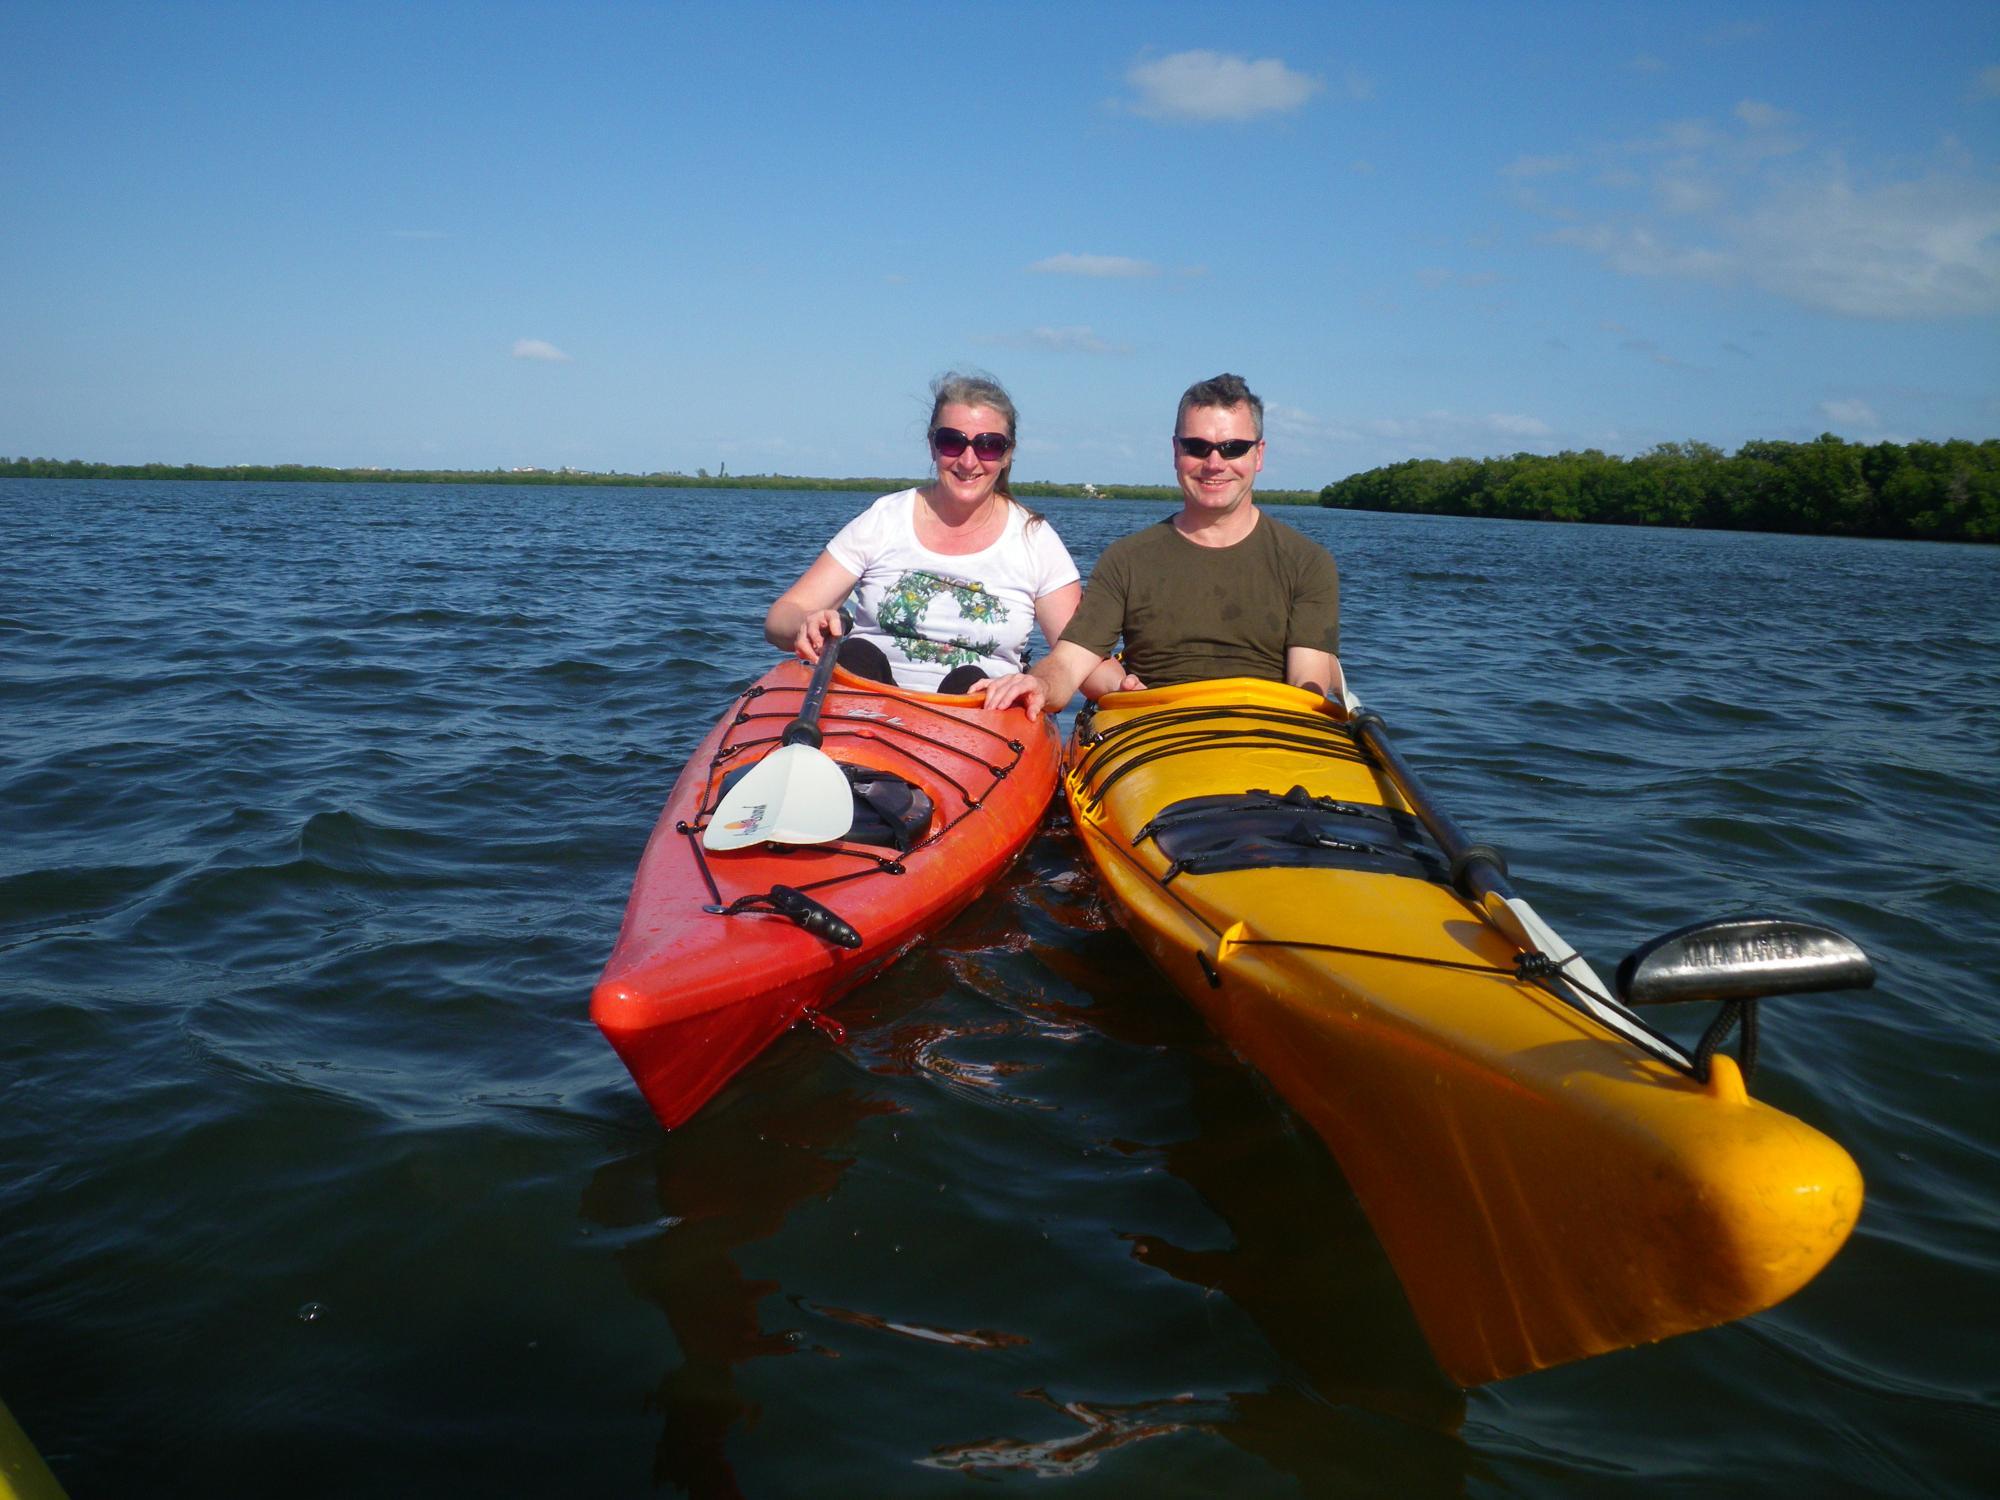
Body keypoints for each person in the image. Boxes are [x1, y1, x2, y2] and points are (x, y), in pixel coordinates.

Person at [975, 373, 1343, 718]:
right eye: (1197, 447)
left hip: (1267, 738)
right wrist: (1038, 683)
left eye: (1233, 448)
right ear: (1175, 452)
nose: (1214, 463)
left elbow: (1305, 689)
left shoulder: (1307, 563)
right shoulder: (1127, 559)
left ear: (1258, 455)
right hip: (1154, 740)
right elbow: (1071, 662)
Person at [766, 371, 1111, 696]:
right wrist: (806, 623)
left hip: (976, 717)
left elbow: (1077, 657)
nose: (968, 460)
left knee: (970, 679)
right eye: (952, 442)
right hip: (864, 704)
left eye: (988, 445)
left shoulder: (1035, 540)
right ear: (932, 445)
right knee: (857, 654)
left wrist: (1126, 683)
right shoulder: (885, 518)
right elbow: (783, 615)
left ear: (1007, 455)